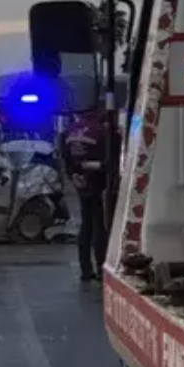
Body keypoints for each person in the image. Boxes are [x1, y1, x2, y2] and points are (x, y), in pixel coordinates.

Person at [60, 109, 109, 282]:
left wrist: (75, 175)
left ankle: (85, 270)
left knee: (85, 224)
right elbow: (109, 160)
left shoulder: (69, 130)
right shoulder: (102, 131)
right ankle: (102, 268)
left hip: (80, 181)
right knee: (99, 225)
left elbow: (65, 158)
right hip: (98, 181)